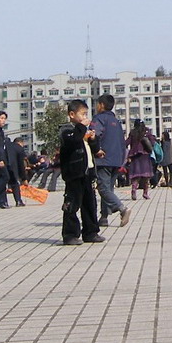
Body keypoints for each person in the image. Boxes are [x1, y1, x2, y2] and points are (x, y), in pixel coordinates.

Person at [59, 99, 105, 245]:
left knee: (90, 203)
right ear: (72, 114)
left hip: (88, 172)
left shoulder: (82, 131)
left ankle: (91, 232)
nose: (85, 117)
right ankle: (70, 234)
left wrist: (92, 139)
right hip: (74, 173)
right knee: (72, 204)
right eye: (82, 114)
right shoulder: (66, 129)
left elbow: (94, 148)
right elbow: (73, 141)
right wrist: (81, 128)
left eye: (86, 114)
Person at [90, 94, 131, 228]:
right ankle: (104, 217)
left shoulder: (99, 119)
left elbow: (94, 135)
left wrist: (95, 150)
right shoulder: (116, 122)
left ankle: (122, 209)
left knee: (103, 188)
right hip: (116, 160)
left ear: (101, 105)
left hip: (103, 159)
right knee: (109, 189)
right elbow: (122, 142)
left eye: (97, 104)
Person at [125, 120, 155, 200]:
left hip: (135, 156)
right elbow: (152, 142)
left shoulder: (133, 132)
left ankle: (134, 190)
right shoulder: (146, 131)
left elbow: (127, 142)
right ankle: (145, 193)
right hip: (145, 156)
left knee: (136, 176)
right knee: (146, 176)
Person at [6, 138, 27, 206]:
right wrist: (24, 178)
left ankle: (2, 201)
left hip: (3, 167)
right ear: (20, 142)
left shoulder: (7, 146)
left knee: (3, 184)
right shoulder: (19, 148)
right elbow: (21, 165)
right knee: (15, 184)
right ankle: (18, 201)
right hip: (13, 169)